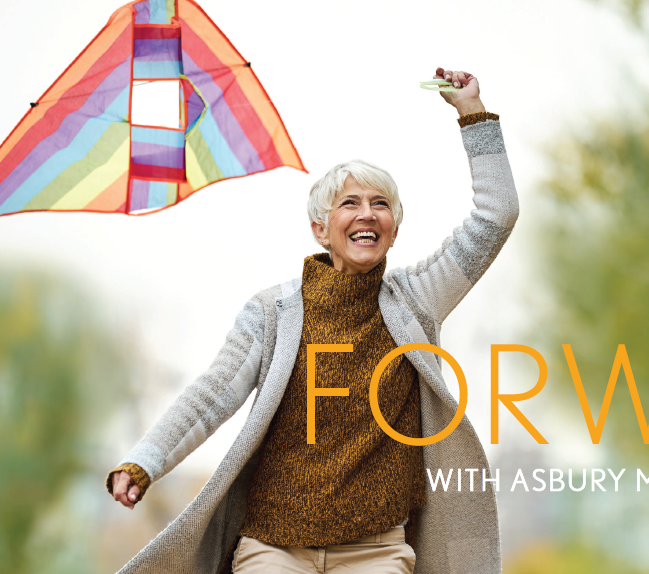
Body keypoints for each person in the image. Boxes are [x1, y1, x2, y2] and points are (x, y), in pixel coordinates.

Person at [107, 67, 518, 574]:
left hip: (376, 550)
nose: (367, 214)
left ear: (393, 229)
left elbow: (496, 217)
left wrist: (472, 112)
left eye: (380, 204)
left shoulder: (417, 298)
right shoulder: (273, 313)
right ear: (320, 228)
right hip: (273, 547)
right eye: (351, 203)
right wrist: (146, 461)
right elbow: (213, 394)